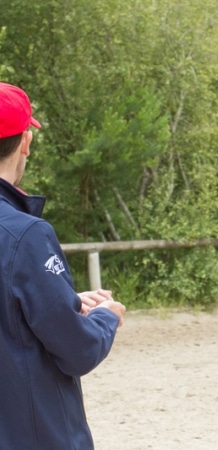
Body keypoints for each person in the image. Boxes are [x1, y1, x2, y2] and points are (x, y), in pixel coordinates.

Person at [0, 82, 126, 449]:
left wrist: (62, 298)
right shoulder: (26, 235)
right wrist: (106, 316)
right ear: (26, 141)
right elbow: (77, 349)